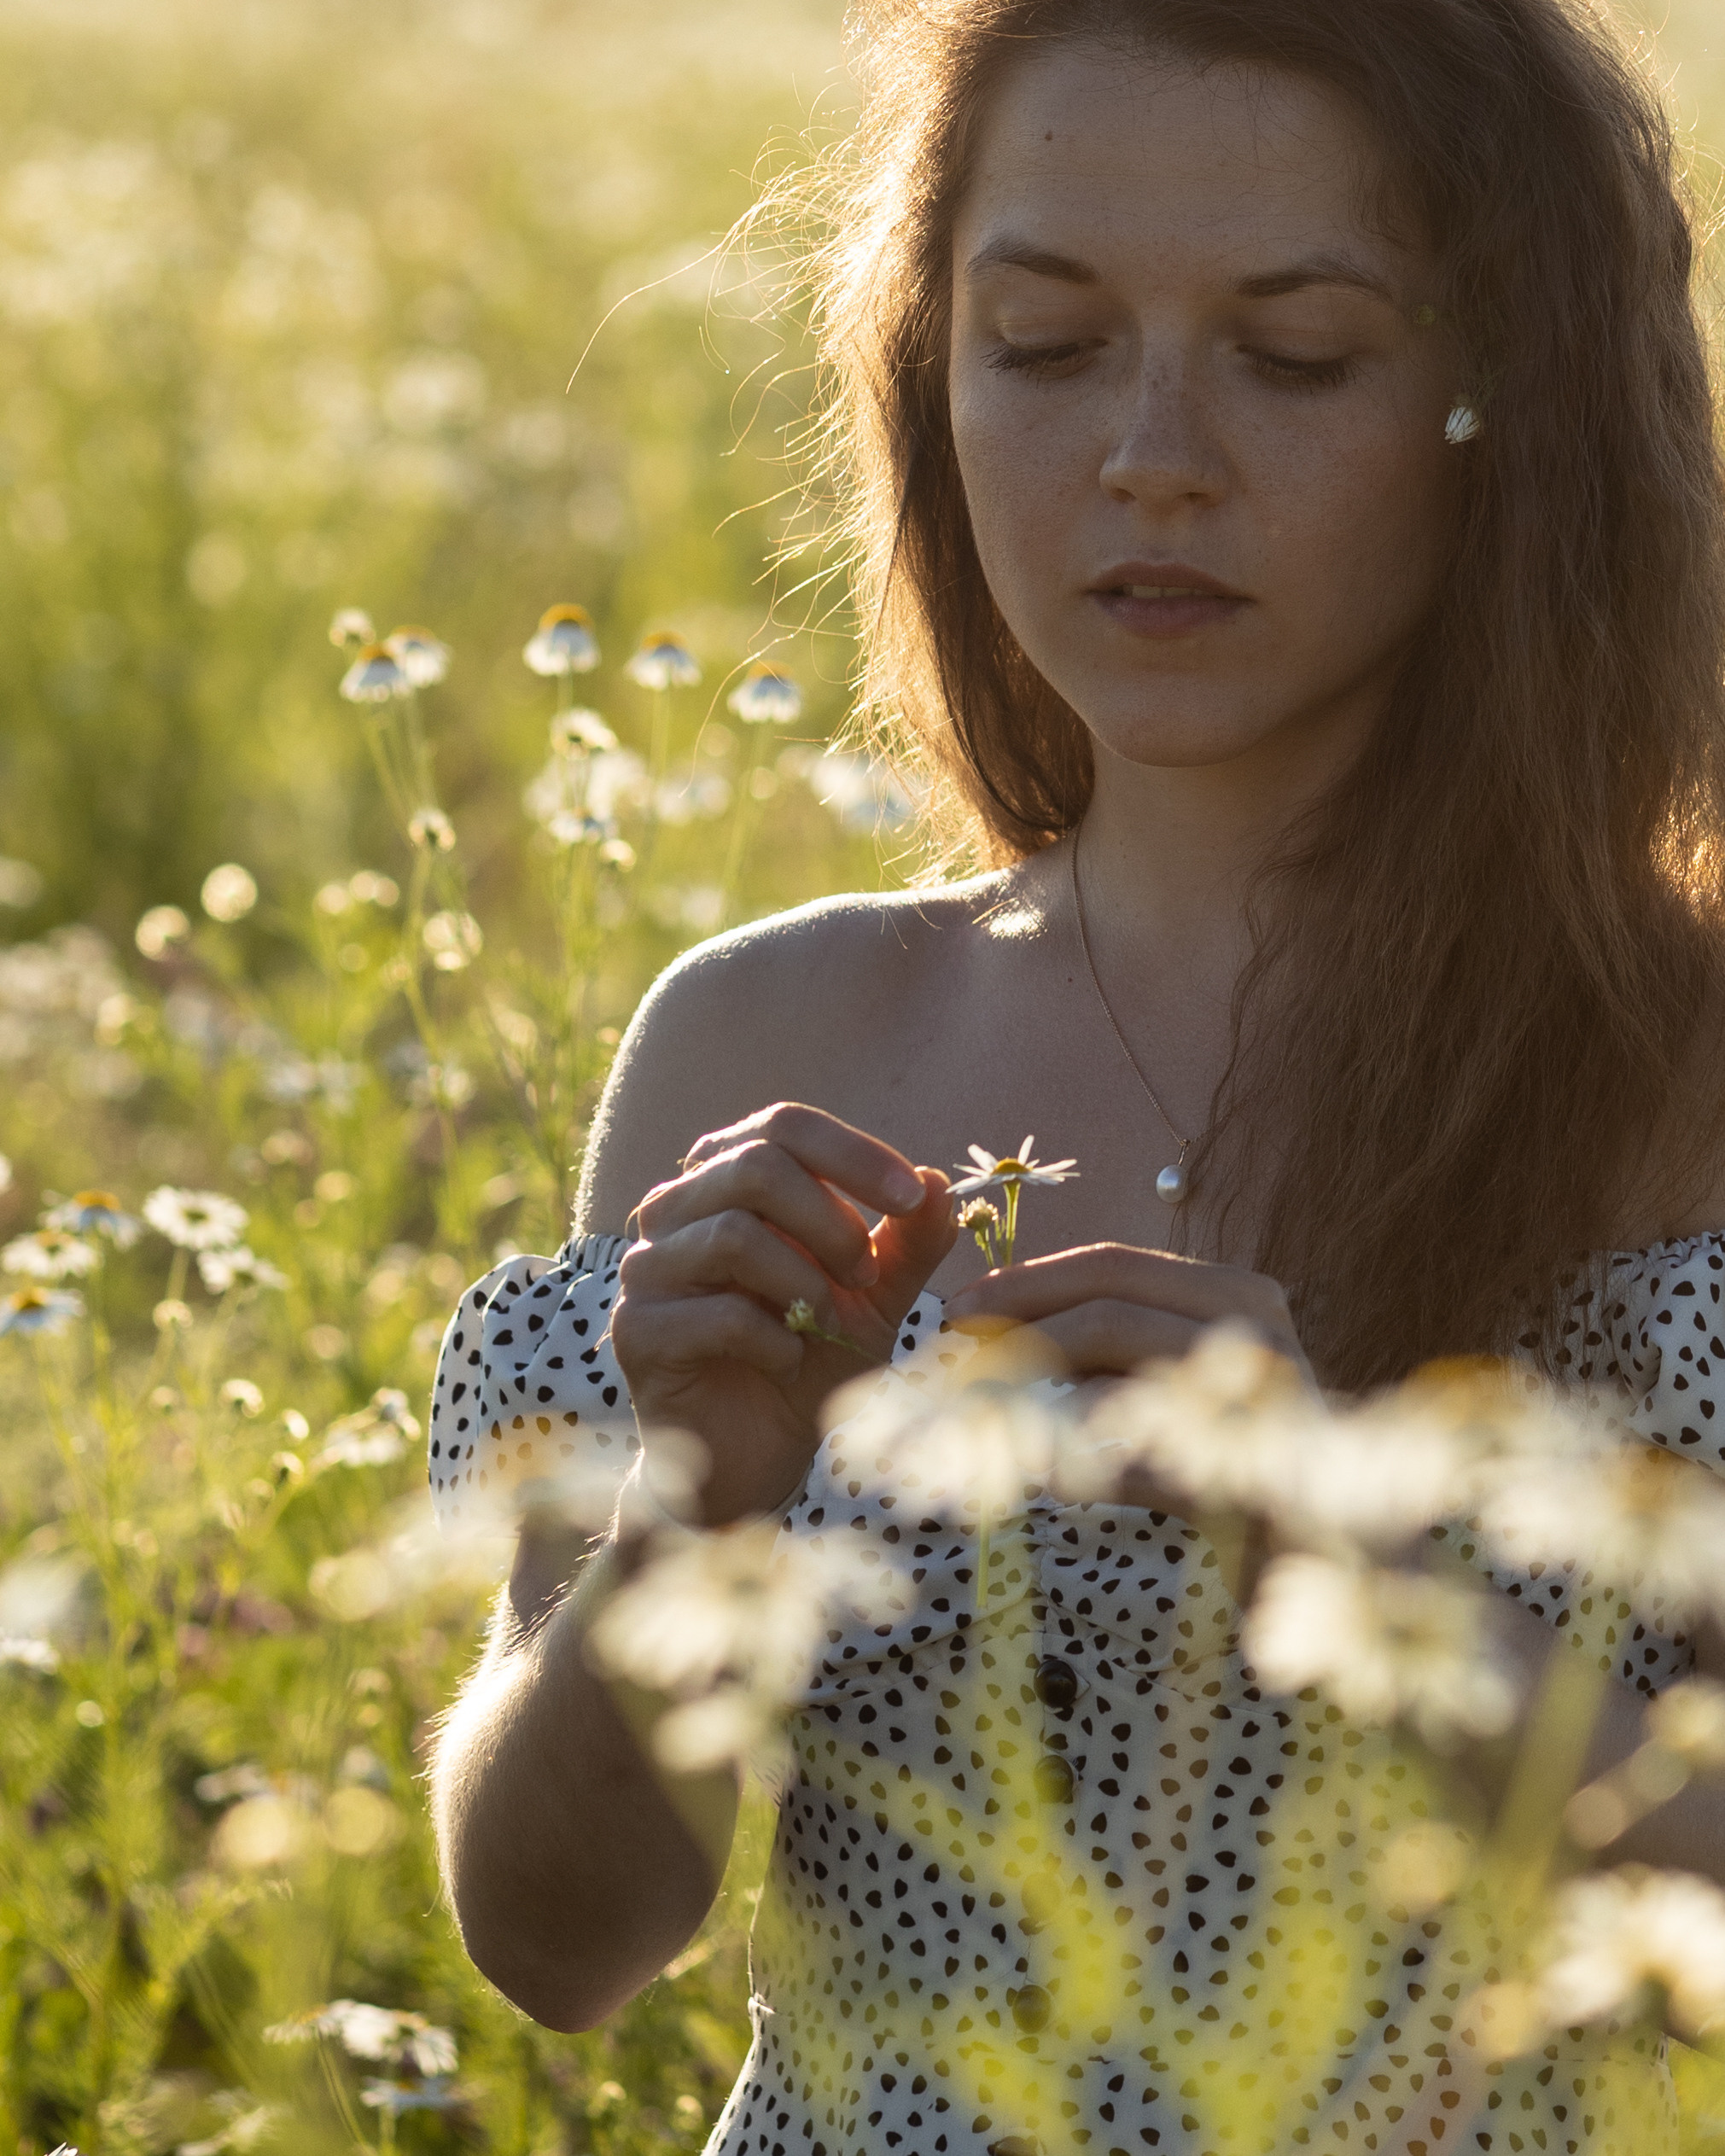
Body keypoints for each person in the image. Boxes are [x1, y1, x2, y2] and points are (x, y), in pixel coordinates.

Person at [429, 0, 1725, 2147]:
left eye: (1294, 354)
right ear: (929, 380)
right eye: (1040, 342)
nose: (1151, 454)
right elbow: (557, 1950)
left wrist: (1359, 1569)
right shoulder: (773, 1040)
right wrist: (694, 1522)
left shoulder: (1684, 1074)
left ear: (1515, 400)